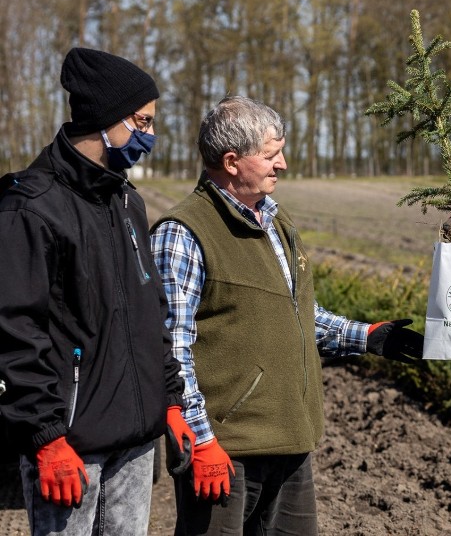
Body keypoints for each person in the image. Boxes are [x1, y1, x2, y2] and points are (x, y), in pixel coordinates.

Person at [150, 95, 424, 535]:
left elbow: (296, 314)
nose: (284, 164)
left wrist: (368, 336)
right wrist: (201, 443)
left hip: (291, 440)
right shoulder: (183, 233)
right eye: (272, 153)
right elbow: (171, 349)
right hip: (226, 454)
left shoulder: (276, 221)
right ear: (233, 161)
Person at [0, 47, 195, 536]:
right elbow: (13, 332)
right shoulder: (31, 208)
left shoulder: (126, 200)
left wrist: (169, 398)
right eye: (142, 121)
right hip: (71, 449)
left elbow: (151, 310)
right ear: (106, 117)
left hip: (136, 441)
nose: (149, 135)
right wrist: (45, 438)